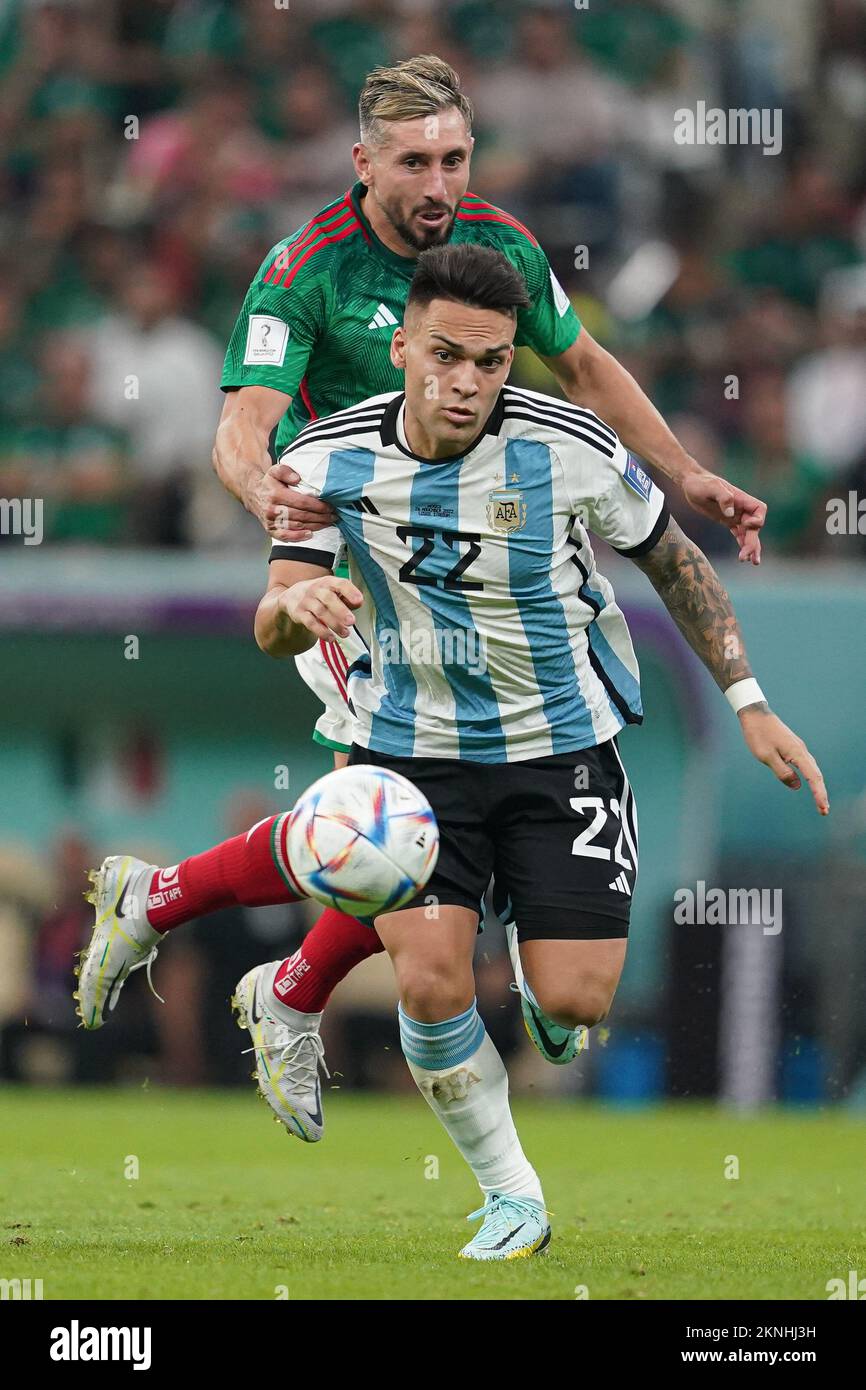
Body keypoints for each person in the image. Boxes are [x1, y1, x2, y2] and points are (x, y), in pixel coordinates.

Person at [77, 246, 827, 1258]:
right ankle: (511, 1193)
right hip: (413, 744)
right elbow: (271, 617)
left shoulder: (569, 446)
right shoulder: (330, 456)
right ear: (401, 347)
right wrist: (293, 605)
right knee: (431, 977)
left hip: (561, 747)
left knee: (569, 1007)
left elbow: (672, 556)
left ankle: (209, 925)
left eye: (490, 361)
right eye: (446, 355)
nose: (467, 381)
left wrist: (747, 699)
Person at [77, 53, 770, 1125]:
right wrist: (280, 509)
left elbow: (582, 367)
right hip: (356, 568)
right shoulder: (303, 269)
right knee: (397, 812)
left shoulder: (498, 246)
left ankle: (187, 914)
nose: (438, 182)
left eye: (453, 157)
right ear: (362, 162)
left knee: (397, 821)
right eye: (413, 162)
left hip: (471, 558)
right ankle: (278, 981)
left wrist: (681, 472)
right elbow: (240, 427)